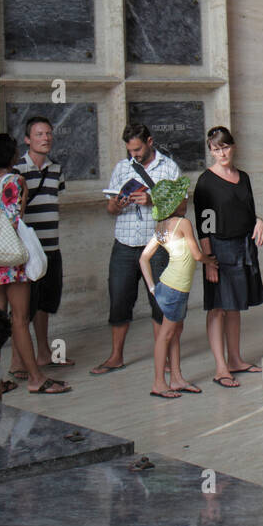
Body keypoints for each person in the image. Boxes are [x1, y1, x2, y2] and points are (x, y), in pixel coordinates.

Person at [0, 132, 69, 395]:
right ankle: (35, 378)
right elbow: (15, 216)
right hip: (10, 256)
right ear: (11, 155)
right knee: (19, 318)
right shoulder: (15, 181)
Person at [94, 123, 180, 375]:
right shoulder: (122, 168)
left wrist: (153, 199)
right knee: (119, 300)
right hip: (124, 243)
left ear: (150, 141)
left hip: (157, 245)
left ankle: (162, 356)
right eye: (130, 150)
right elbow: (110, 209)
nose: (135, 154)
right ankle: (116, 356)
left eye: (138, 149)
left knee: (159, 302)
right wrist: (117, 205)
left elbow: (180, 208)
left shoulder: (169, 167)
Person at [194, 126, 263, 388]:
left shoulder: (244, 177)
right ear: (210, 151)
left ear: (232, 146)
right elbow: (205, 225)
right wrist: (209, 260)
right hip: (219, 248)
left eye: (225, 147)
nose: (221, 153)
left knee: (235, 306)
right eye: (216, 149)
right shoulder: (206, 182)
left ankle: (235, 359)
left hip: (242, 246)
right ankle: (221, 367)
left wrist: (259, 221)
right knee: (217, 307)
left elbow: (248, 211)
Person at [139, 177, 216, 398]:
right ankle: (158, 383)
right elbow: (196, 254)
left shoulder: (162, 227)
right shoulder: (183, 224)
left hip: (169, 286)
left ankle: (176, 378)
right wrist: (209, 260)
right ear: (174, 203)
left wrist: (154, 287)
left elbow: (144, 259)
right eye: (182, 197)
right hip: (173, 289)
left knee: (174, 333)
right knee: (166, 335)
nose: (186, 200)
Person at [14, 115, 73, 371]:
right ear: (27, 139)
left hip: (51, 248)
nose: (45, 138)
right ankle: (17, 362)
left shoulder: (56, 169)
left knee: (45, 304)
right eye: (39, 134)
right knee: (23, 309)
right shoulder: (17, 170)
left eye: (48, 133)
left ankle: (43, 353)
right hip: (27, 251)